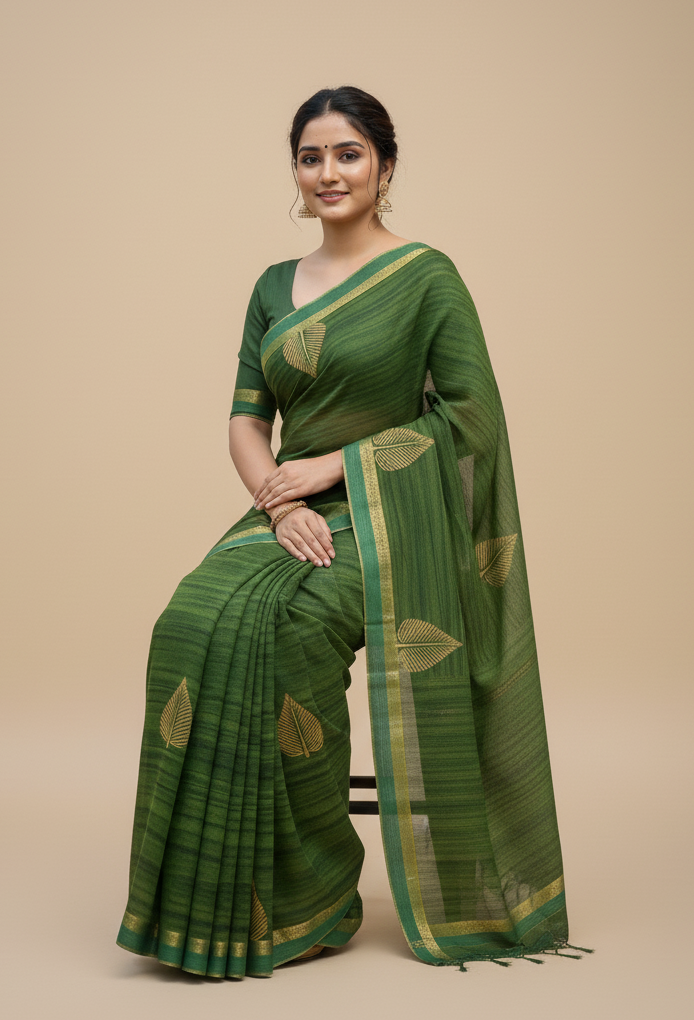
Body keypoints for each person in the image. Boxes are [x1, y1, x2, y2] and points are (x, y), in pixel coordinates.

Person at [116, 86, 582, 978]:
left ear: (384, 166)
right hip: (286, 509)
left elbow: (473, 417)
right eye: (310, 156)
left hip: (394, 514)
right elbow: (246, 420)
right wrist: (281, 505)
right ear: (295, 170)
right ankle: (216, 894)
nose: (327, 172)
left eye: (348, 153)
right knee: (188, 622)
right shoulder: (272, 287)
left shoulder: (426, 277)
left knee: (294, 627)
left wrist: (335, 468)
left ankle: (316, 895)